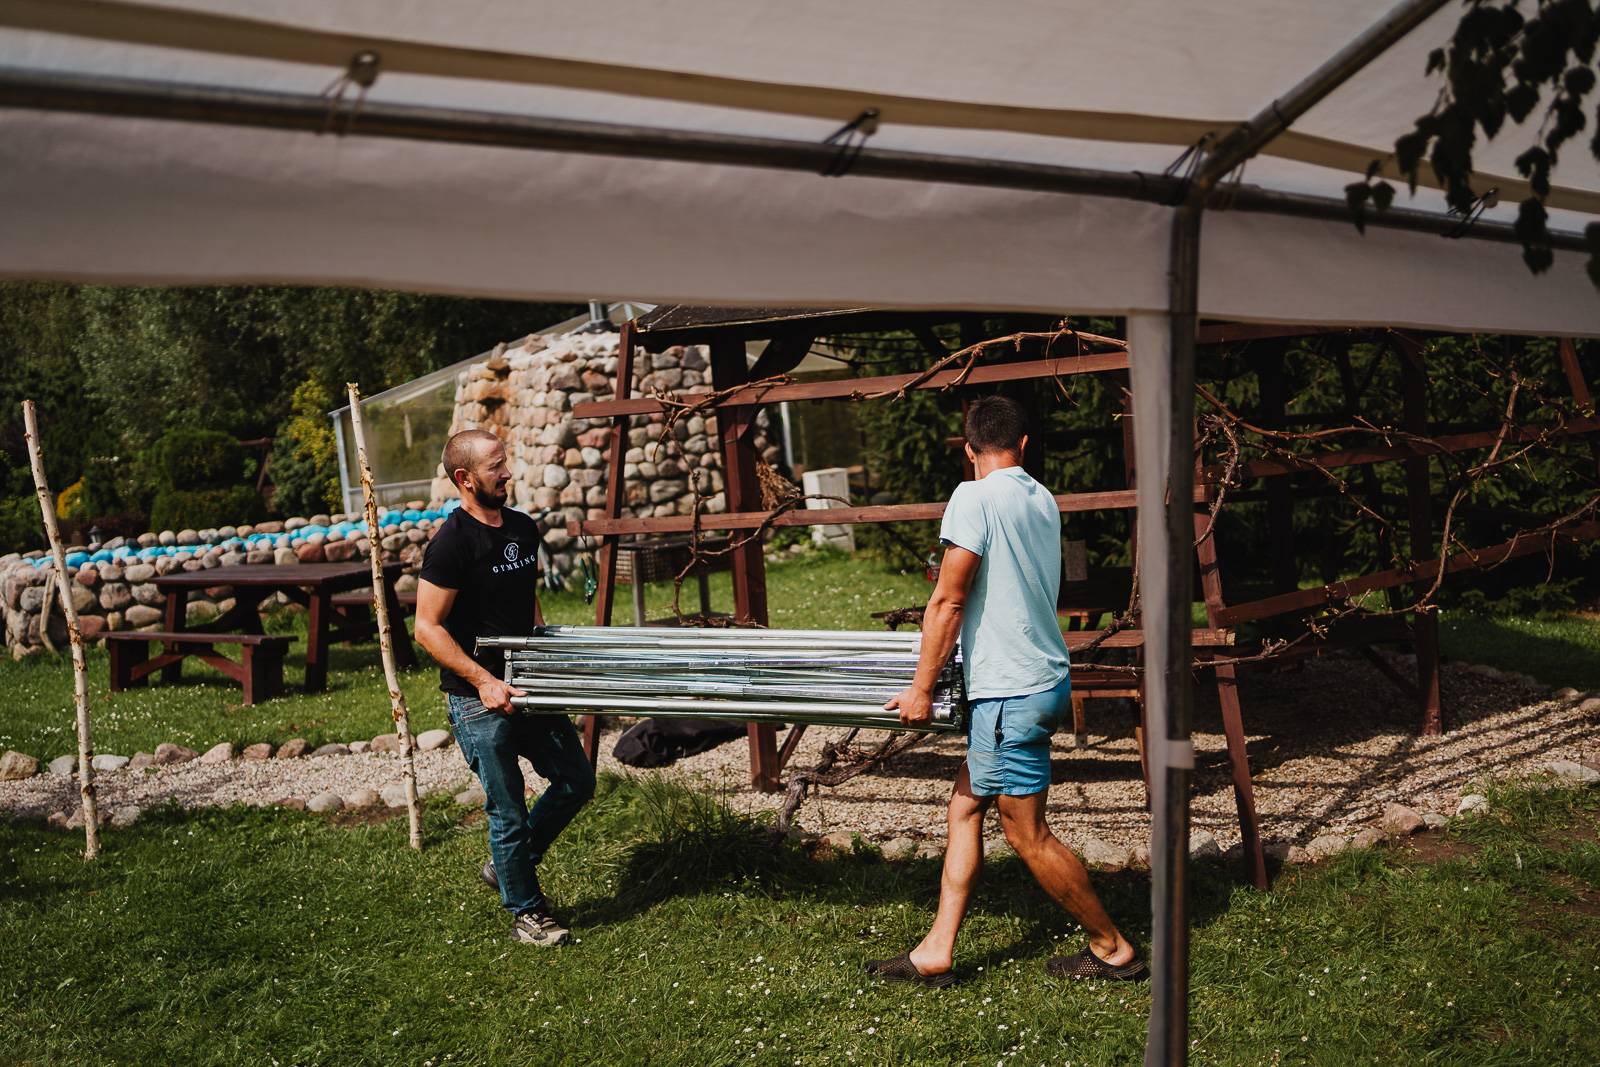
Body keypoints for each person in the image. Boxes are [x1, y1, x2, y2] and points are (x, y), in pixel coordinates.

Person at [869, 395, 1145, 985]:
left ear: (968, 449)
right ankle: (937, 949)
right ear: (1023, 444)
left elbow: (948, 600)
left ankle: (1112, 947)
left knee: (1027, 834)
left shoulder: (973, 497)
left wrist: (920, 690)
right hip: (1043, 679)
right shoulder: (1040, 498)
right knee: (965, 806)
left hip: (1008, 697)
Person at [415, 429, 595, 947]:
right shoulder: (451, 544)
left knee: (576, 780)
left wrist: (541, 655)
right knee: (508, 809)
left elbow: (525, 600)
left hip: (526, 683)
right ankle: (527, 914)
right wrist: (482, 680)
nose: (508, 473)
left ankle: (507, 867)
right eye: (496, 466)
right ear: (465, 479)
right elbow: (427, 627)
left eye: (505, 462)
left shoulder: (521, 527)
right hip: (478, 698)